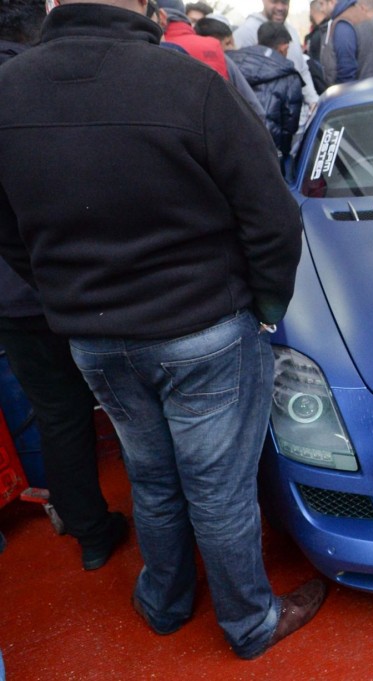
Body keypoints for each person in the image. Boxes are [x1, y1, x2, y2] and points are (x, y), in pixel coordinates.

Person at [0, 0, 326, 660]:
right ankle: (248, 621)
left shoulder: (10, 91)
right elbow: (271, 212)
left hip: (97, 336)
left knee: (152, 476)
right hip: (202, 326)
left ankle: (165, 600)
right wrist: (267, 303)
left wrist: (64, 291)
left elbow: (9, 232)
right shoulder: (183, 80)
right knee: (217, 487)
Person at [0, 0, 128, 573]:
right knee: (133, 405)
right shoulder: (41, 85)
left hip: (14, 299)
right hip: (80, 282)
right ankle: (171, 531)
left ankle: (92, 535)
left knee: (57, 414)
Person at [230, 22, 304, 166]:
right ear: (283, 47)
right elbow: (290, 125)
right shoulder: (289, 75)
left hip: (233, 149)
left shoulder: (232, 61)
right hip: (269, 152)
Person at [234, 0, 319, 112]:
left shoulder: (291, 31)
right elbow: (237, 79)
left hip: (296, 113)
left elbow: (302, 70)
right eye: (274, 2)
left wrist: (313, 100)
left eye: (284, 3)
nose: (280, 8)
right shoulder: (246, 32)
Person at [323, 0, 373, 83]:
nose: (322, 9)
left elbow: (346, 71)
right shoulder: (360, 15)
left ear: (332, 2)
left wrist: (342, 90)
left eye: (323, 3)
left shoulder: (344, 23)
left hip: (359, 89)